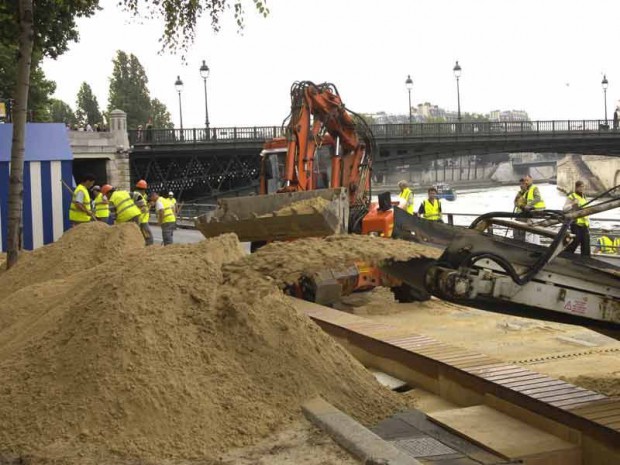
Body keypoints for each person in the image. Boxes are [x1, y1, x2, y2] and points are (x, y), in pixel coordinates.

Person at [563, 180, 590, 256]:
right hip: (576, 224)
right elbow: (564, 209)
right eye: (580, 187)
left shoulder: (584, 197)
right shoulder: (572, 196)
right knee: (575, 242)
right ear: (576, 187)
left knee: (586, 244)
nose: (582, 188)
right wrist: (572, 204)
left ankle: (586, 260)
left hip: (585, 224)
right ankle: (565, 256)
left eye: (583, 186)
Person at [132, 179, 154, 246]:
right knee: (148, 236)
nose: (144, 191)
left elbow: (144, 204)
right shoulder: (135, 195)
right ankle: (149, 248)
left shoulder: (144, 195)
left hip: (144, 218)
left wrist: (149, 205)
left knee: (144, 235)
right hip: (141, 219)